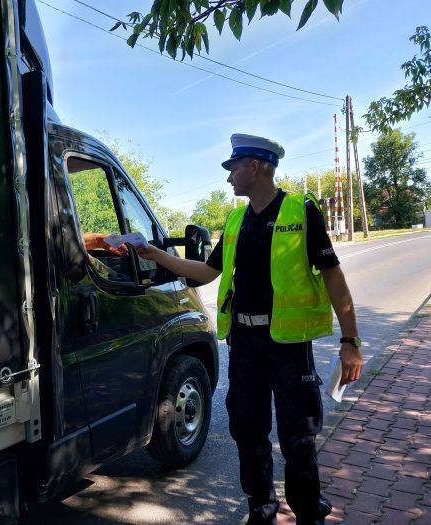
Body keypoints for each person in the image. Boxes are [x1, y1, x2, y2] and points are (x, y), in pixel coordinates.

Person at [135, 133, 363, 525]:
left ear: (254, 167)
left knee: (298, 435)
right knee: (248, 430)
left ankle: (308, 511)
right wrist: (153, 254)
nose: (229, 178)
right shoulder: (235, 220)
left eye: (233, 168)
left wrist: (350, 341)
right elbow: (208, 271)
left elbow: (333, 277)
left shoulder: (301, 210)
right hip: (244, 343)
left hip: (288, 345)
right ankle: (261, 509)